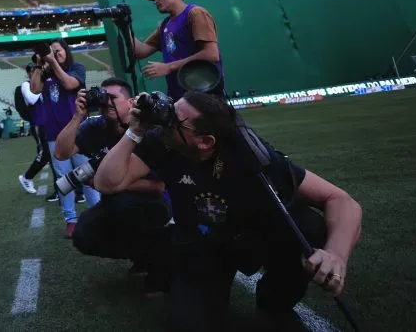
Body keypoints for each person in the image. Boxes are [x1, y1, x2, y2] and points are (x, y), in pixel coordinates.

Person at [96, 91, 362, 331]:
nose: (166, 121)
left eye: (176, 119)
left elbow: (340, 199)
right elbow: (107, 182)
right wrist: (134, 132)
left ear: (205, 141)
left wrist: (336, 254)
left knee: (309, 226)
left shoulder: (251, 157)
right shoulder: (162, 142)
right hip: (202, 244)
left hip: (255, 237)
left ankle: (274, 303)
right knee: (190, 324)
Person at [54, 79, 170, 284]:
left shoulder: (148, 130)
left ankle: (158, 260)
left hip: (154, 203)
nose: (107, 103)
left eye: (113, 98)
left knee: (126, 208)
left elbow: (158, 187)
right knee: (83, 234)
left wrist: (104, 183)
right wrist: (77, 116)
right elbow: (61, 152)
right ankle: (141, 255)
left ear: (130, 102)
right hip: (113, 201)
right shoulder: (95, 127)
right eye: (103, 97)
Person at [30, 39, 87, 237]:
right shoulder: (45, 72)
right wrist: (39, 64)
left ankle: (97, 212)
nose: (55, 54)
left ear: (66, 51)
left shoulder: (77, 68)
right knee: (64, 179)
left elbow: (70, 84)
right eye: (52, 52)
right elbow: (34, 89)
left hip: (80, 131)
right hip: (54, 133)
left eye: (58, 51)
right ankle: (70, 220)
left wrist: (52, 62)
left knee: (86, 174)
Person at [134, 0, 221, 99]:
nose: (155, 2)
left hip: (202, 93)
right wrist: (124, 25)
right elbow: (140, 51)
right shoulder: (165, 24)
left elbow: (211, 54)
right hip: (179, 93)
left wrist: (168, 67)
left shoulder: (195, 13)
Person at [16, 63, 51, 196]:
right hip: (39, 123)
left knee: (54, 154)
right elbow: (31, 99)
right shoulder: (26, 85)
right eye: (34, 71)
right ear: (29, 73)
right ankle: (27, 177)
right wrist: (40, 87)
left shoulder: (46, 82)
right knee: (45, 153)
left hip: (51, 123)